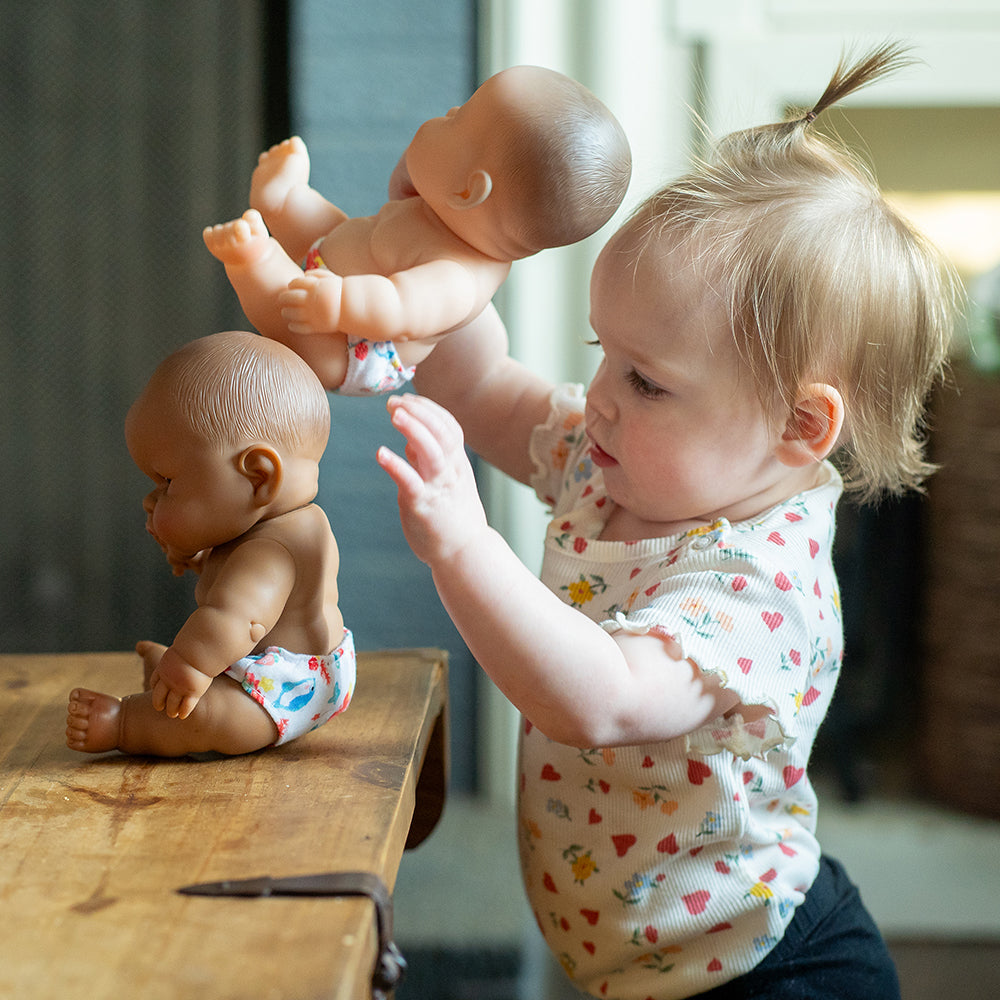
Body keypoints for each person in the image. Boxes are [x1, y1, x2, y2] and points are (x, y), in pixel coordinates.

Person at [376, 44, 958, 999]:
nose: (599, 398)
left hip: (762, 973)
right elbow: (475, 381)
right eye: (606, 353)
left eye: (646, 381)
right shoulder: (612, 462)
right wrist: (442, 241)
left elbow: (597, 698)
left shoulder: (758, 586)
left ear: (798, 426)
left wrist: (462, 544)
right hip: (640, 961)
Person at [202, 65, 631, 394]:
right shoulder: (453, 216)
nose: (446, 112)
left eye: (457, 118)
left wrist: (338, 302)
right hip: (339, 270)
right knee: (342, 231)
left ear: (467, 190)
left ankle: (253, 260)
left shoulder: (458, 281)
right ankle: (284, 199)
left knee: (286, 302)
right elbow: (378, 231)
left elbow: (398, 306)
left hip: (351, 344)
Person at [66, 331, 353, 757]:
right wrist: (201, 557)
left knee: (208, 720)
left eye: (166, 482)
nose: (151, 499)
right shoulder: (280, 523)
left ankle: (126, 720)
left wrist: (189, 665)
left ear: (257, 476)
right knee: (204, 686)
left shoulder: (273, 549)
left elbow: (239, 620)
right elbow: (241, 583)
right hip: (306, 671)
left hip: (285, 692)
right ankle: (178, 681)